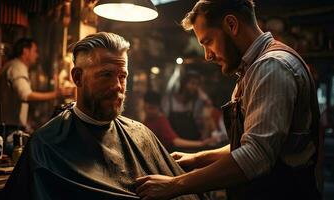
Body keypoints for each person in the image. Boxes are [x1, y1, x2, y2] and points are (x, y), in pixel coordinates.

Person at [135, 1, 322, 200]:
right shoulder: (251, 71)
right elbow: (249, 143)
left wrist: (175, 185)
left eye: (208, 41)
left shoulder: (271, 67)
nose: (207, 56)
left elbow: (255, 156)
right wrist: (197, 158)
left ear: (231, 24)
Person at [3, 32, 206, 200]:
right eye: (106, 75)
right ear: (77, 77)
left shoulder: (141, 134)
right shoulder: (45, 144)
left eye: (122, 76)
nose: (118, 86)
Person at [0, 38, 72, 133]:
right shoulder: (17, 67)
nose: (37, 55)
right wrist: (56, 94)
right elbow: (26, 95)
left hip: (6, 124)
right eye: (35, 51)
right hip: (9, 127)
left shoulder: (13, 65)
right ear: (25, 51)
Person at [144, 90, 216, 152]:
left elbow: (176, 142)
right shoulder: (147, 120)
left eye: (152, 108)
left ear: (158, 107)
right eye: (148, 108)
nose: (150, 111)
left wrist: (201, 144)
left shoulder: (160, 121)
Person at [162, 71, 211, 140]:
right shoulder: (169, 100)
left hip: (193, 143)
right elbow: (163, 123)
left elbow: (203, 123)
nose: (195, 87)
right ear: (183, 83)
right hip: (174, 143)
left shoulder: (195, 103)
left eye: (197, 85)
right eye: (192, 83)